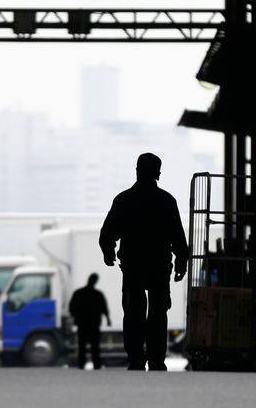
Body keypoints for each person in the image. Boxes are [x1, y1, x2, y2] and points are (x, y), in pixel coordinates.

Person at [99, 152, 189, 371]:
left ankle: (136, 358)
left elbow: (107, 233)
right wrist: (181, 263)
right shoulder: (166, 201)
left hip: (133, 266)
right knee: (158, 311)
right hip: (159, 266)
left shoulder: (124, 200)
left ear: (137, 170)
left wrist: (109, 253)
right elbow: (178, 237)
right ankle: (156, 359)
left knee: (133, 311)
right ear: (158, 173)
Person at [69, 273, 111, 370]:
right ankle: (96, 364)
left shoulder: (79, 293)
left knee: (82, 345)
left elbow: (71, 307)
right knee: (95, 345)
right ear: (96, 281)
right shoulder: (97, 294)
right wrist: (108, 319)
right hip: (94, 323)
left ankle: (81, 363)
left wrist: (76, 318)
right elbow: (104, 308)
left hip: (82, 323)